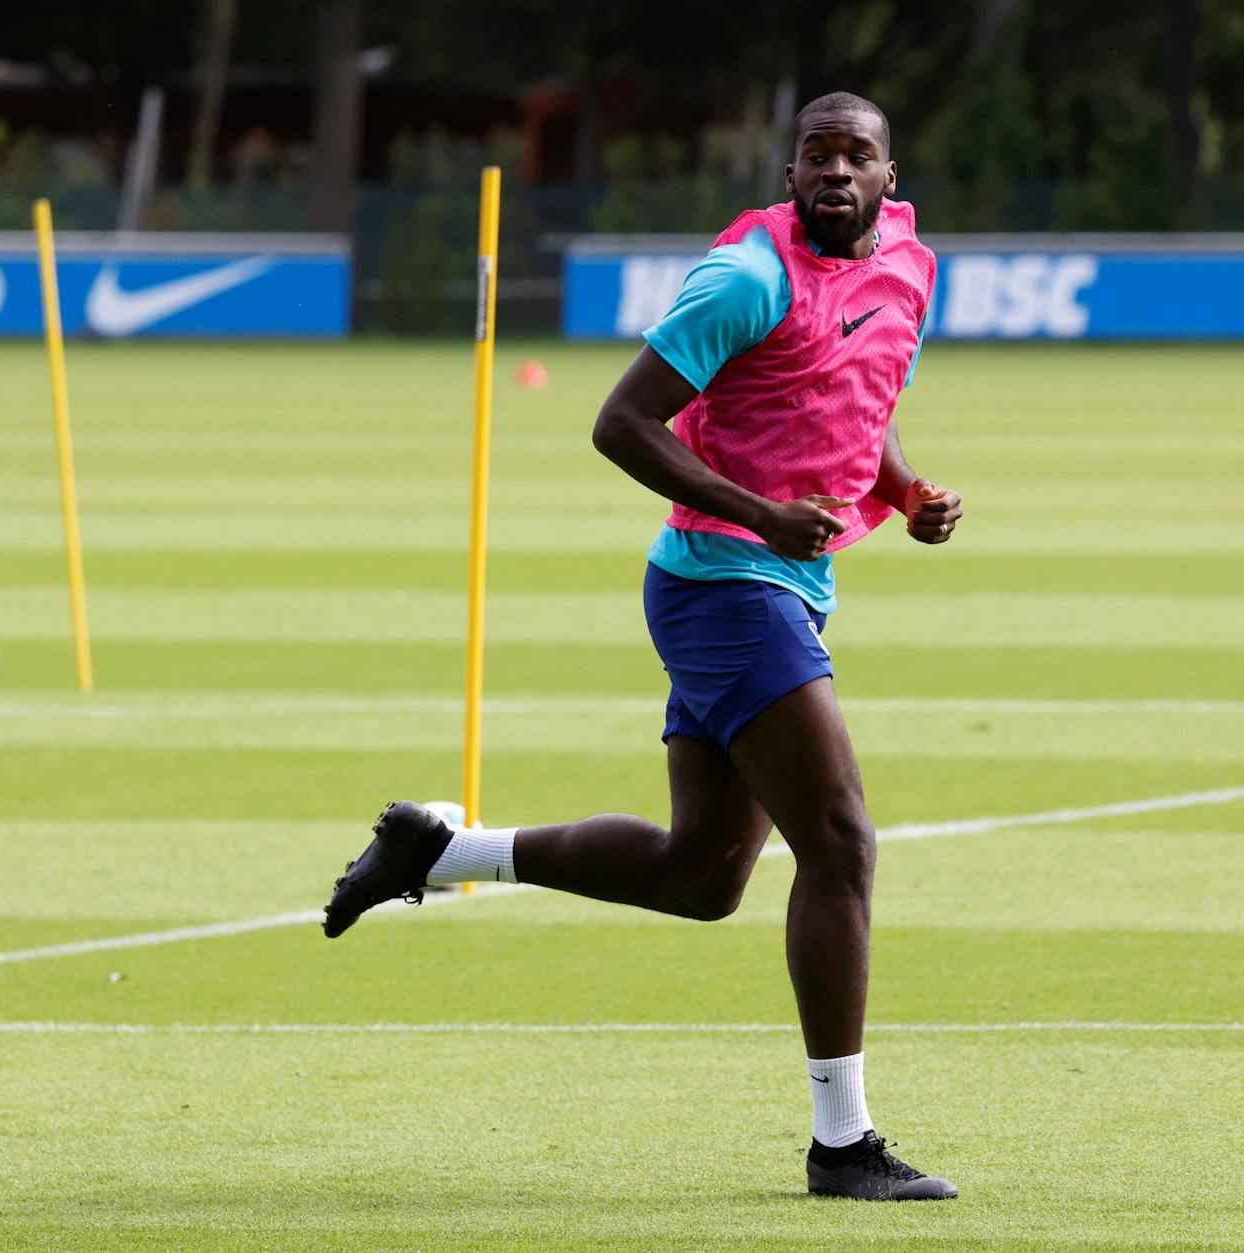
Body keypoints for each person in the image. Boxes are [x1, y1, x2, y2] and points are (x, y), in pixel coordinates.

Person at [323, 91, 963, 1202]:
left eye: (855, 156)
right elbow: (619, 422)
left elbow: (859, 395)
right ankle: (842, 1144)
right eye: (815, 155)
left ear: (887, 179)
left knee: (701, 875)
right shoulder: (745, 278)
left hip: (779, 585)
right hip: (723, 584)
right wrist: (759, 513)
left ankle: (439, 848)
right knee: (843, 840)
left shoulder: (907, 261)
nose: (834, 173)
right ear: (789, 169)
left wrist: (901, 491)